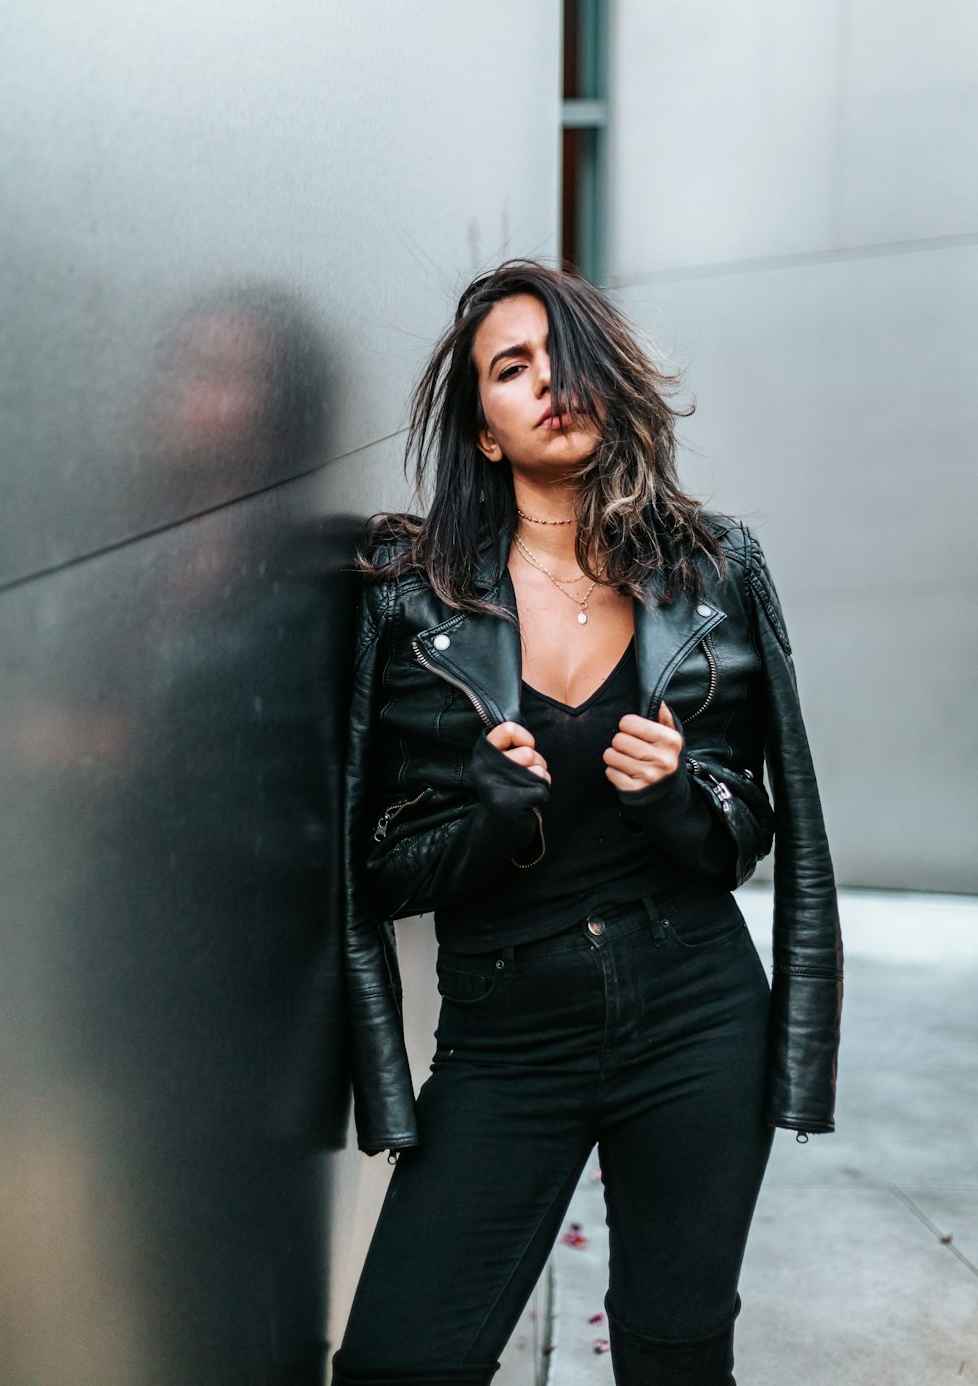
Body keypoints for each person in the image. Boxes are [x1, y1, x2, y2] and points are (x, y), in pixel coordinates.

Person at [333, 260, 842, 1386]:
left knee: (673, 1352)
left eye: (563, 356)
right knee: (395, 1365)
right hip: (507, 1035)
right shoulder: (412, 603)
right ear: (483, 432)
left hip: (697, 1012)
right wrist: (482, 819)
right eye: (511, 369)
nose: (547, 382)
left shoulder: (712, 571)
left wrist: (680, 800)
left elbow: (752, 821)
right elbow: (368, 867)